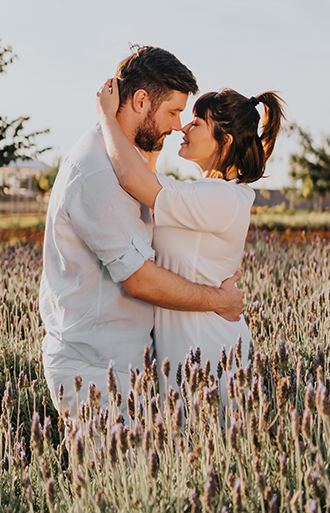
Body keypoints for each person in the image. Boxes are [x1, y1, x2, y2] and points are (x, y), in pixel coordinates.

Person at [39, 46, 245, 415]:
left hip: (124, 369)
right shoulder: (100, 171)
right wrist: (221, 301)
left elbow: (143, 173)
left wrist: (117, 121)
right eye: (173, 112)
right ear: (140, 101)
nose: (179, 124)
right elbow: (140, 281)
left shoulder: (114, 157)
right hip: (94, 372)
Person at [96, 78, 285, 377]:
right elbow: (150, 200)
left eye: (197, 123)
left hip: (209, 355)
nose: (184, 127)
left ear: (225, 140)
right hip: (186, 353)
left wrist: (106, 116)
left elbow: (133, 179)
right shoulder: (207, 193)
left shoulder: (221, 198)